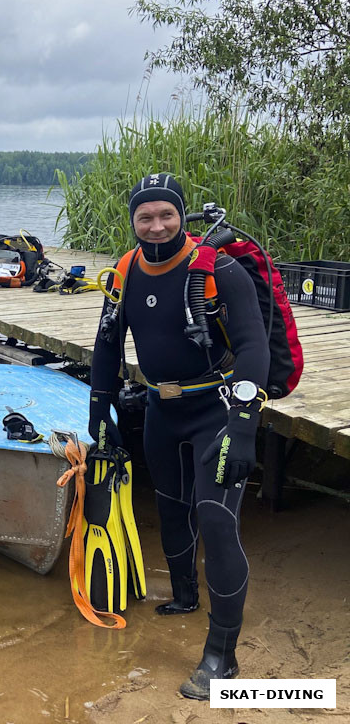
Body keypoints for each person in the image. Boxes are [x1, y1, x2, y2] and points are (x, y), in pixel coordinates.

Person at [88, 173, 270, 700]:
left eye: (166, 213)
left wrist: (243, 426)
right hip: (160, 408)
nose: (156, 225)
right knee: (169, 506)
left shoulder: (220, 271)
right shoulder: (124, 271)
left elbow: (254, 350)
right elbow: (105, 346)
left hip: (216, 409)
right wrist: (99, 410)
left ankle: (222, 656)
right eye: (145, 216)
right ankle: (185, 596)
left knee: (215, 520)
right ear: (133, 221)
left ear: (181, 215)